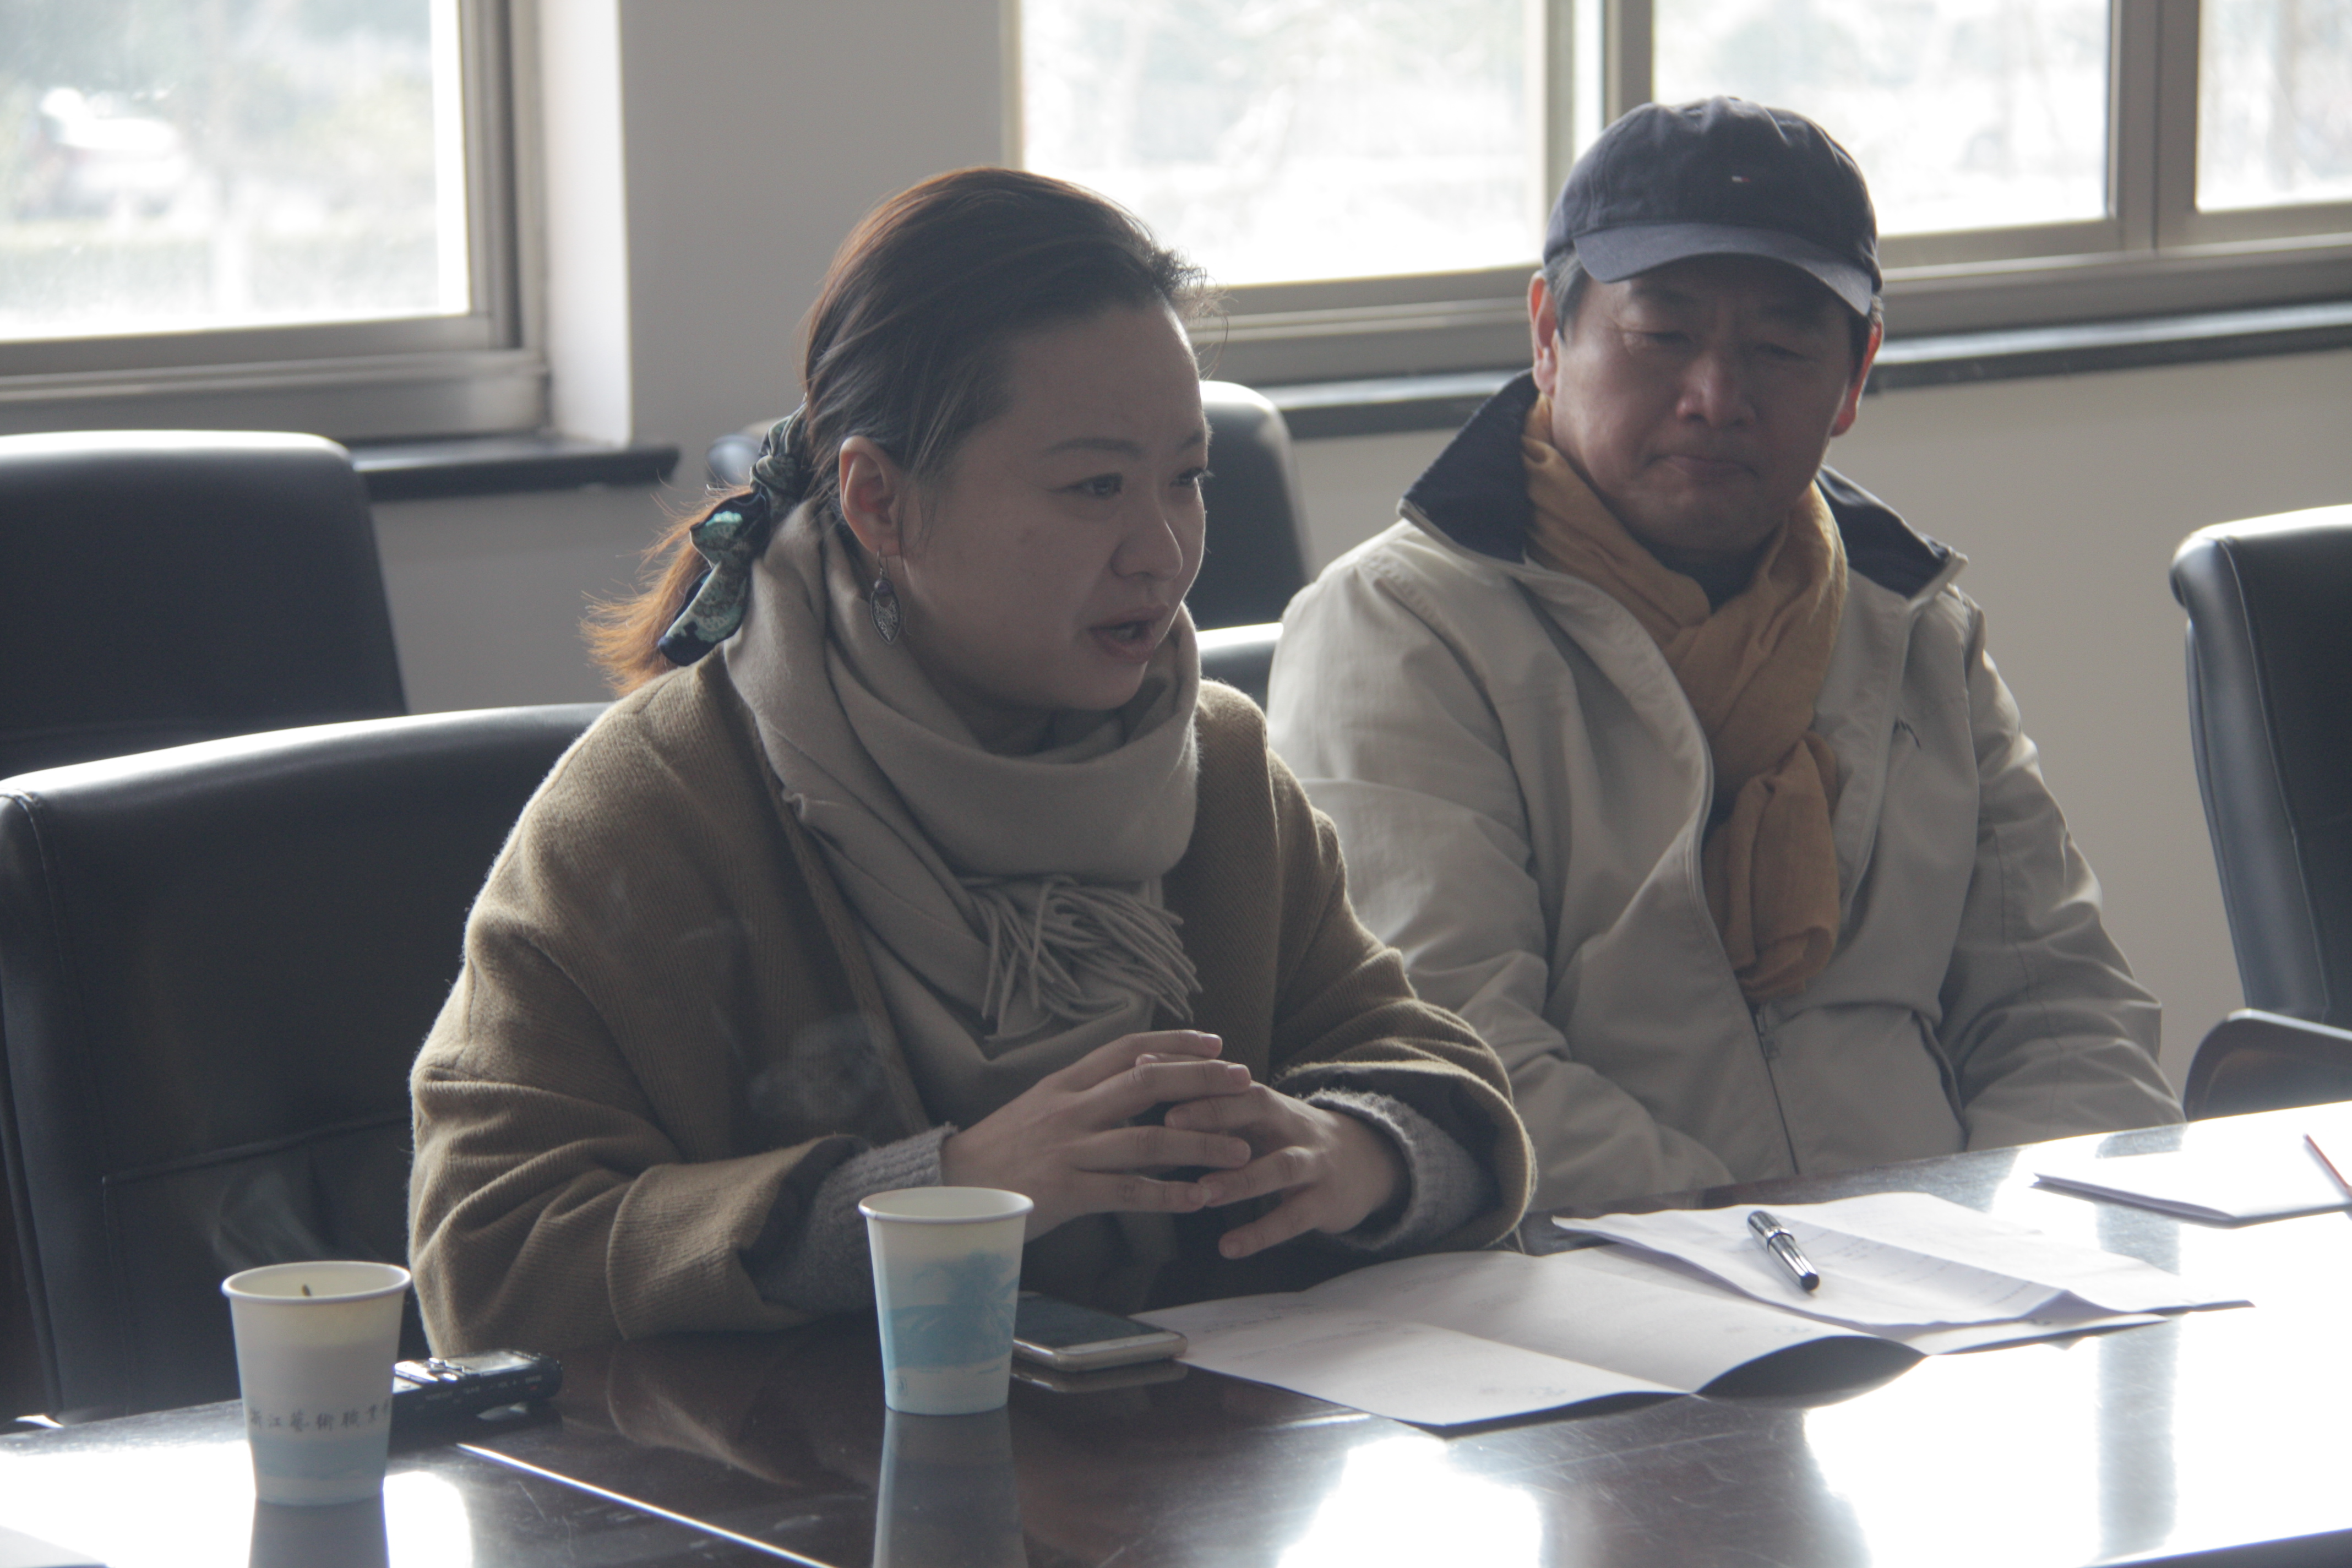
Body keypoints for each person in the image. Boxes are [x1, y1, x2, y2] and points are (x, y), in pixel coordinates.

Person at [408, 168, 1532, 1356]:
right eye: (1095, 486)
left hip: (1188, 1446)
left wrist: (1350, 1152)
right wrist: (942, 1196)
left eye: (1187, 479)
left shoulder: (1219, 768)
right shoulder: (652, 811)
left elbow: (1433, 1081)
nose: (1162, 552)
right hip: (815, 1465)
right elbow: (488, 1256)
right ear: (880, 502)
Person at [1267, 99, 2181, 1216]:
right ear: (1549, 333)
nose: (1716, 398)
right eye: (1663, 335)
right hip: (1596, 1275)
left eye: (1781, 348)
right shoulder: (1401, 629)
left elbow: (2062, 1012)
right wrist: (1785, 1250)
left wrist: (2038, 1240)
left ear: (1855, 377)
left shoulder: (1914, 629)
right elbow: (1458, 1061)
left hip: (1944, 1274)